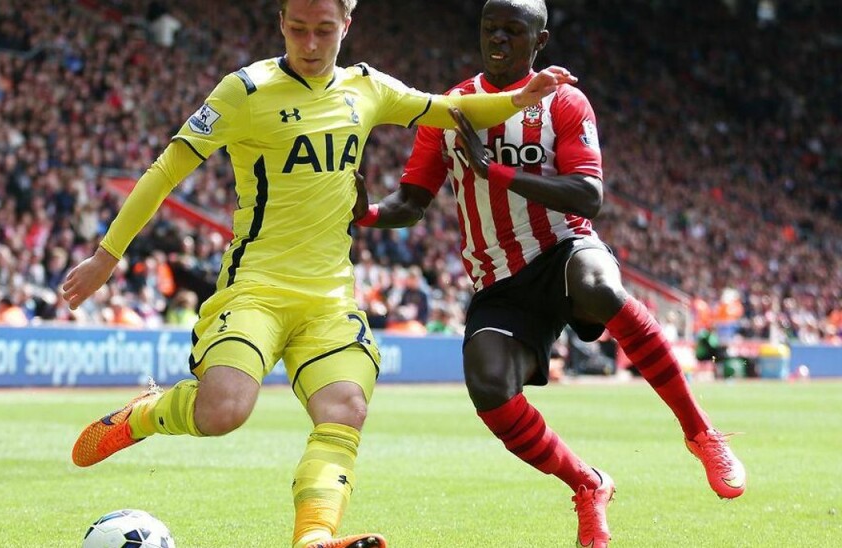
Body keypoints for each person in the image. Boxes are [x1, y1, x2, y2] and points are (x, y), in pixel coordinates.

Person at [61, 1, 576, 547]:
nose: (310, 44)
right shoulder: (245, 91)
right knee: (223, 411)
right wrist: (107, 255)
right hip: (255, 287)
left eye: (324, 31)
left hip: (330, 296)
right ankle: (147, 414)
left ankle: (314, 538)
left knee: (344, 407)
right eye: (299, 30)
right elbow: (166, 169)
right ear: (281, 24)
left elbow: (448, 109)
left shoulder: (367, 88)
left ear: (346, 27)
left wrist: (519, 99)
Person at [356, 1, 746, 546]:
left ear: (539, 41)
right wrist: (367, 213)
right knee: (488, 386)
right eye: (489, 28)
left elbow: (590, 194)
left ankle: (701, 434)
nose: (497, 39)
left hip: (564, 249)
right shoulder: (451, 109)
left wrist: (493, 170)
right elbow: (411, 203)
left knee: (600, 286)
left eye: (512, 31)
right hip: (498, 281)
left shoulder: (564, 100)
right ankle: (587, 485)